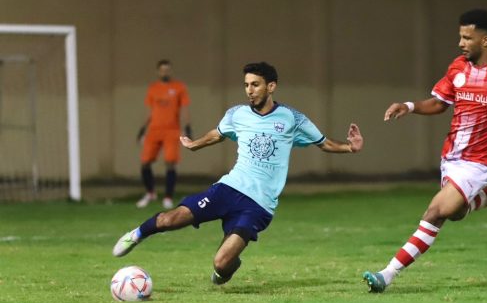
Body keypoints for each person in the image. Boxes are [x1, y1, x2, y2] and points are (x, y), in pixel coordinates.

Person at [114, 61, 364, 285]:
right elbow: (218, 133)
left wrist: (349, 147)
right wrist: (195, 144)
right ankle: (136, 234)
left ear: (271, 86)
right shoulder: (237, 114)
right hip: (228, 189)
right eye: (246, 85)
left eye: (255, 84)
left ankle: (228, 267)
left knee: (221, 264)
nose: (249, 90)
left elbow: (323, 142)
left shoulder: (292, 118)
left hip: (258, 205)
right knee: (170, 220)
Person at [363, 9, 487, 293]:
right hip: (451, 156)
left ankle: (386, 275)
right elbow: (440, 103)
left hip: (479, 162)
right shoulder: (458, 67)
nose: (461, 43)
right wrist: (409, 106)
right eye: (460, 37)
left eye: (467, 38)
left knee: (436, 212)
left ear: (485, 40)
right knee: (458, 212)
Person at [136, 59, 192, 209]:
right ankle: (150, 193)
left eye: (167, 70)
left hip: (172, 130)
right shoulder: (153, 88)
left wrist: (187, 127)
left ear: (170, 71)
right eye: (162, 70)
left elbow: (185, 108)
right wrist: (142, 129)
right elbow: (149, 111)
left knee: (170, 163)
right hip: (154, 130)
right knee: (145, 162)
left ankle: (168, 197)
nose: (165, 72)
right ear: (158, 72)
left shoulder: (179, 87)